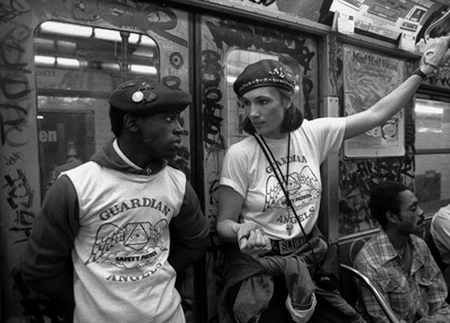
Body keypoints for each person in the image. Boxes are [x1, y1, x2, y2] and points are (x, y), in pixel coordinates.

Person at [215, 35, 450, 323]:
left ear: (287, 100)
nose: (253, 113)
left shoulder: (313, 134)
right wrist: (242, 230)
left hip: (309, 257)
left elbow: (377, 114)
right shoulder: (241, 154)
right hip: (263, 267)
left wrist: (422, 71)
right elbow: (223, 224)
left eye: (263, 102)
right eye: (246, 104)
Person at [20, 79, 210, 323]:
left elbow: (198, 241)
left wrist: (165, 271)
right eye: (168, 119)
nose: (179, 129)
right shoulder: (76, 186)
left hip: (168, 317)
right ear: (131, 123)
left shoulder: (176, 182)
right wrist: (87, 301)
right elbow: (39, 271)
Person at [354, 181, 450, 323]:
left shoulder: (419, 246)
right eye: (413, 209)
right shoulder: (370, 264)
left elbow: (439, 301)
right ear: (392, 217)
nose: (421, 212)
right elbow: (384, 320)